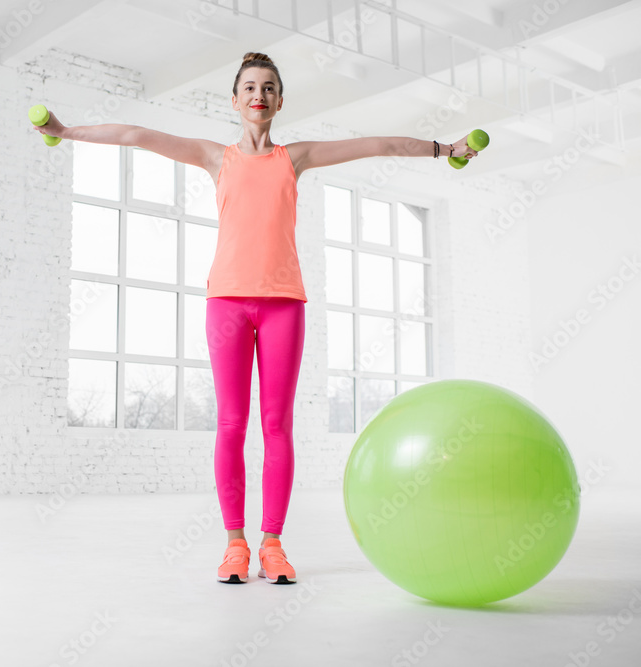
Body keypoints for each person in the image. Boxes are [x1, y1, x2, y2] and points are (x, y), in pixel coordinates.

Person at [31, 52, 480, 585]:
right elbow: (136, 134)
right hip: (227, 303)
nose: (258, 95)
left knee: (277, 426)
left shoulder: (296, 158)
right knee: (230, 423)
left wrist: (445, 150)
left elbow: (376, 145)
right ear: (236, 99)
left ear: (280, 101)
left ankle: (272, 543)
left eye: (269, 88)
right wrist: (64, 131)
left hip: (283, 304)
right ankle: (234, 545)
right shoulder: (215, 157)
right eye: (249, 87)